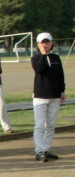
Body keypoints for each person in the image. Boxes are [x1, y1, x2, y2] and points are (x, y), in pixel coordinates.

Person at [31, 32, 66, 162]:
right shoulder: (35, 58)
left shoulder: (56, 58)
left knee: (50, 125)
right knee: (40, 125)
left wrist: (62, 90)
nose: (45, 45)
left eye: (47, 42)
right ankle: (39, 151)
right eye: (42, 42)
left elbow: (60, 75)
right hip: (40, 95)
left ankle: (46, 149)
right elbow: (39, 69)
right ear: (38, 44)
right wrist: (43, 55)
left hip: (55, 95)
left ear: (51, 43)